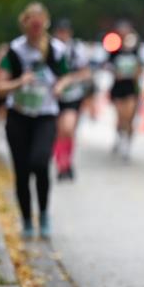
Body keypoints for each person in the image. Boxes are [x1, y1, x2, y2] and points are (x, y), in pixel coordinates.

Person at [0, 3, 85, 239]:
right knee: (22, 172)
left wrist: (61, 86)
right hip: (19, 116)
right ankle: (26, 219)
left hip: (45, 115)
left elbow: (67, 76)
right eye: (31, 24)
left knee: (40, 163)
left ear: (45, 23)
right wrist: (18, 82)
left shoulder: (56, 50)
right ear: (24, 24)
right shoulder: (15, 51)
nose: (35, 29)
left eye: (39, 24)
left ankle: (43, 213)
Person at [51, 19, 91, 180]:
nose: (62, 35)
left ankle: (67, 161)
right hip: (53, 96)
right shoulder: (49, 48)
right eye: (60, 31)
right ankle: (61, 165)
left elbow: (86, 72)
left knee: (68, 129)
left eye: (65, 32)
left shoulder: (77, 49)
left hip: (73, 95)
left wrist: (71, 79)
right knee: (58, 132)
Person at [108, 23, 142, 158]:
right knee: (121, 117)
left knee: (129, 118)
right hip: (118, 88)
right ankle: (119, 138)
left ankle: (127, 144)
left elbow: (141, 67)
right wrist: (116, 73)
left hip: (131, 88)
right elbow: (108, 66)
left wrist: (136, 74)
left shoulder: (136, 50)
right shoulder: (114, 50)